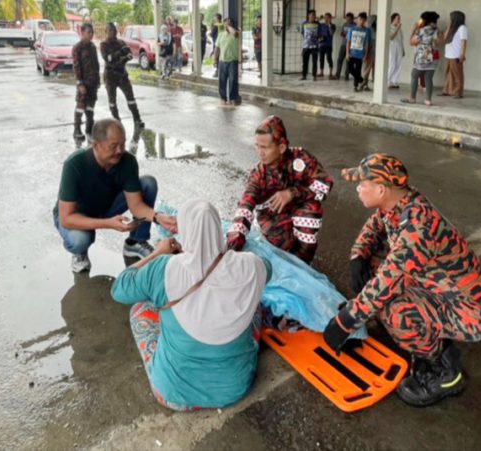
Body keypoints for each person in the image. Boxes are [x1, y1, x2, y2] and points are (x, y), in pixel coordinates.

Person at [322, 154, 481, 407]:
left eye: (362, 184)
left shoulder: (418, 226)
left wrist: (345, 321)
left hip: (468, 311)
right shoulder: (399, 203)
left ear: (381, 189)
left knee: (393, 311)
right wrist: (358, 255)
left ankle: (445, 369)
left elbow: (388, 282)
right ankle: (429, 331)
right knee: (372, 269)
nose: (358, 189)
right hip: (437, 287)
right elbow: (375, 225)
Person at [111, 199, 271, 411]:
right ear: (218, 229)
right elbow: (267, 269)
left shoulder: (162, 268)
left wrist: (158, 252)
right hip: (235, 389)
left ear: (184, 232)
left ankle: (172, 357)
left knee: (140, 309)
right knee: (254, 301)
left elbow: (120, 289)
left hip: (174, 395)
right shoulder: (251, 265)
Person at [53, 118, 178, 273]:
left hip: (106, 206)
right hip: (77, 216)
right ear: (96, 145)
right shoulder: (74, 164)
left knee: (148, 184)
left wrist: (158, 217)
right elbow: (66, 218)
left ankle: (135, 242)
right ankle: (80, 253)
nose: (119, 151)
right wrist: (108, 223)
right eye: (113, 146)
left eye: (122, 144)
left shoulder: (127, 161)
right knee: (79, 240)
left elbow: (137, 205)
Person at [227, 116, 333, 264]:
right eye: (257, 146)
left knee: (311, 213)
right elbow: (245, 205)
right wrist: (233, 243)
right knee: (281, 251)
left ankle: (303, 266)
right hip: (273, 218)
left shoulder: (302, 158)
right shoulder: (258, 174)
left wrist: (292, 193)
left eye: (265, 147)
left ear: (282, 147)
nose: (260, 152)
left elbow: (325, 185)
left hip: (300, 212)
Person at [100, 22, 145, 150]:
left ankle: (137, 119)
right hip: (110, 77)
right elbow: (108, 58)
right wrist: (120, 54)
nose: (112, 33)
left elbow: (130, 55)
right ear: (106, 32)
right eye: (110, 31)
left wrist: (121, 58)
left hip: (122, 75)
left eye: (114, 31)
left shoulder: (121, 42)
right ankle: (117, 122)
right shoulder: (104, 45)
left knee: (131, 99)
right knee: (112, 103)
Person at [401, 11, 442, 106]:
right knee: (428, 78)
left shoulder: (421, 30)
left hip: (422, 56)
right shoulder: (437, 30)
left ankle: (412, 98)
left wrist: (414, 29)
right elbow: (438, 42)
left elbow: (411, 42)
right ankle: (428, 100)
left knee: (414, 75)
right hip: (434, 56)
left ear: (424, 20)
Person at [71, 22, 99, 146]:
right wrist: (79, 84)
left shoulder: (93, 47)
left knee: (90, 107)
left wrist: (98, 80)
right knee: (80, 106)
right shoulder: (77, 48)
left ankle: (89, 129)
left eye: (92, 32)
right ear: (82, 33)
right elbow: (76, 67)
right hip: (83, 83)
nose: (91, 35)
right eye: (89, 32)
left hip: (93, 83)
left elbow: (96, 65)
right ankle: (77, 130)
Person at [441, 11, 467, 98]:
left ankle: (458, 92)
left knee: (457, 74)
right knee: (448, 73)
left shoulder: (462, 28)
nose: (450, 19)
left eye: (451, 18)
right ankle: (447, 90)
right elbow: (444, 37)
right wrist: (449, 26)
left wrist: (462, 54)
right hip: (449, 54)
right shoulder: (452, 28)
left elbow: (463, 42)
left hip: (456, 55)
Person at [217, 18, 241, 106]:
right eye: (225, 23)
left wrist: (228, 27)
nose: (226, 25)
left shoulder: (236, 33)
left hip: (232, 61)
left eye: (229, 23)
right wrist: (215, 59)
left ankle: (233, 98)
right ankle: (223, 98)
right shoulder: (221, 35)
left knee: (233, 80)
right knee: (222, 81)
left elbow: (235, 33)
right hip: (222, 61)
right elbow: (217, 47)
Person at [346, 12, 371, 92]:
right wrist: (347, 52)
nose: (361, 22)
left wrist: (365, 55)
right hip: (351, 53)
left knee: (358, 70)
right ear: (357, 19)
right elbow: (348, 42)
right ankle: (362, 80)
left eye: (363, 20)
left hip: (360, 54)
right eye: (360, 19)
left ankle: (355, 86)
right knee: (350, 69)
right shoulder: (352, 29)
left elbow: (367, 44)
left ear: (365, 21)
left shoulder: (367, 30)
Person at [300, 10, 320, 81]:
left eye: (314, 15)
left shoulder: (318, 24)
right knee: (305, 62)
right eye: (312, 15)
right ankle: (304, 75)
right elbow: (302, 32)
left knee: (314, 61)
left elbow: (319, 33)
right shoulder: (304, 23)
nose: (313, 17)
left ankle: (314, 76)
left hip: (315, 46)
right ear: (308, 16)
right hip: (306, 46)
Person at [335, 12, 355, 81]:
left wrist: (347, 36)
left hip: (351, 46)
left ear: (352, 19)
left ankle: (346, 76)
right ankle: (337, 75)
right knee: (339, 60)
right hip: (343, 45)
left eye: (349, 19)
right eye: (346, 19)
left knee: (348, 61)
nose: (348, 21)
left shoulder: (355, 25)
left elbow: (354, 36)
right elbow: (341, 33)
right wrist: (345, 35)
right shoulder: (344, 24)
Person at [387, 13, 404, 89]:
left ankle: (394, 81)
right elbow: (391, 37)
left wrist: (403, 49)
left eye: (399, 18)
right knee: (392, 63)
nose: (399, 20)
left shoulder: (400, 29)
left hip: (399, 47)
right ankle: (387, 81)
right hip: (392, 47)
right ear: (393, 19)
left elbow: (401, 40)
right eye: (398, 18)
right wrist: (397, 28)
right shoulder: (389, 27)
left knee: (398, 64)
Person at [360, 14, 377, 91]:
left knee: (375, 69)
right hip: (369, 50)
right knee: (367, 68)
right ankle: (364, 83)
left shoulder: (376, 29)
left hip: (375, 51)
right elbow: (367, 43)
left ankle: (373, 85)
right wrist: (366, 53)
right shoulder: (368, 30)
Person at [318, 12, 335, 79]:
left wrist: (329, 25)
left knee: (329, 58)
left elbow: (331, 33)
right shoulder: (321, 25)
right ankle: (321, 72)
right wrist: (319, 19)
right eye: (325, 17)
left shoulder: (333, 25)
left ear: (330, 18)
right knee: (321, 59)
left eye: (327, 17)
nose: (326, 19)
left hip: (328, 45)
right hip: (321, 44)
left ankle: (330, 73)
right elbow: (317, 29)